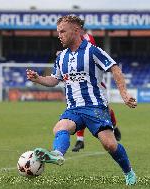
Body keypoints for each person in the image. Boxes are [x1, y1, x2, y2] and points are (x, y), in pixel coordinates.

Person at [26, 15, 137, 185]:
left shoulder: (93, 51)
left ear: (76, 30)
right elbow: (55, 80)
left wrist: (124, 94)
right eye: (58, 32)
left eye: (62, 31)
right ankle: (57, 154)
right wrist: (38, 78)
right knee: (60, 128)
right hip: (73, 109)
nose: (59, 35)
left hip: (95, 107)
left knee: (110, 145)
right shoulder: (61, 57)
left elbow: (114, 68)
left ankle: (128, 172)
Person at [56, 22, 122, 152]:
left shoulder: (87, 38)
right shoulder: (70, 40)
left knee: (106, 109)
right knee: (79, 109)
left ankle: (113, 126)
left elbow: (88, 52)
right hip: (77, 83)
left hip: (93, 82)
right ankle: (80, 140)